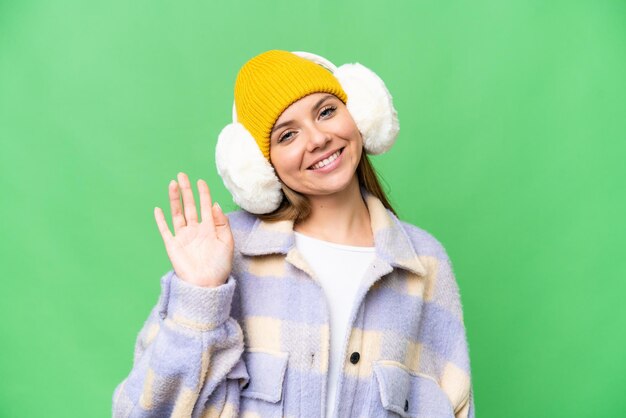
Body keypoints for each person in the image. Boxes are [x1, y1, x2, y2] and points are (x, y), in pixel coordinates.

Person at [113, 49, 475, 418]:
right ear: (260, 167)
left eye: (327, 111)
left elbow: (455, 406)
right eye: (287, 135)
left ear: (362, 115)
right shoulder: (226, 253)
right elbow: (139, 412)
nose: (317, 139)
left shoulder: (424, 263)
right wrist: (199, 298)